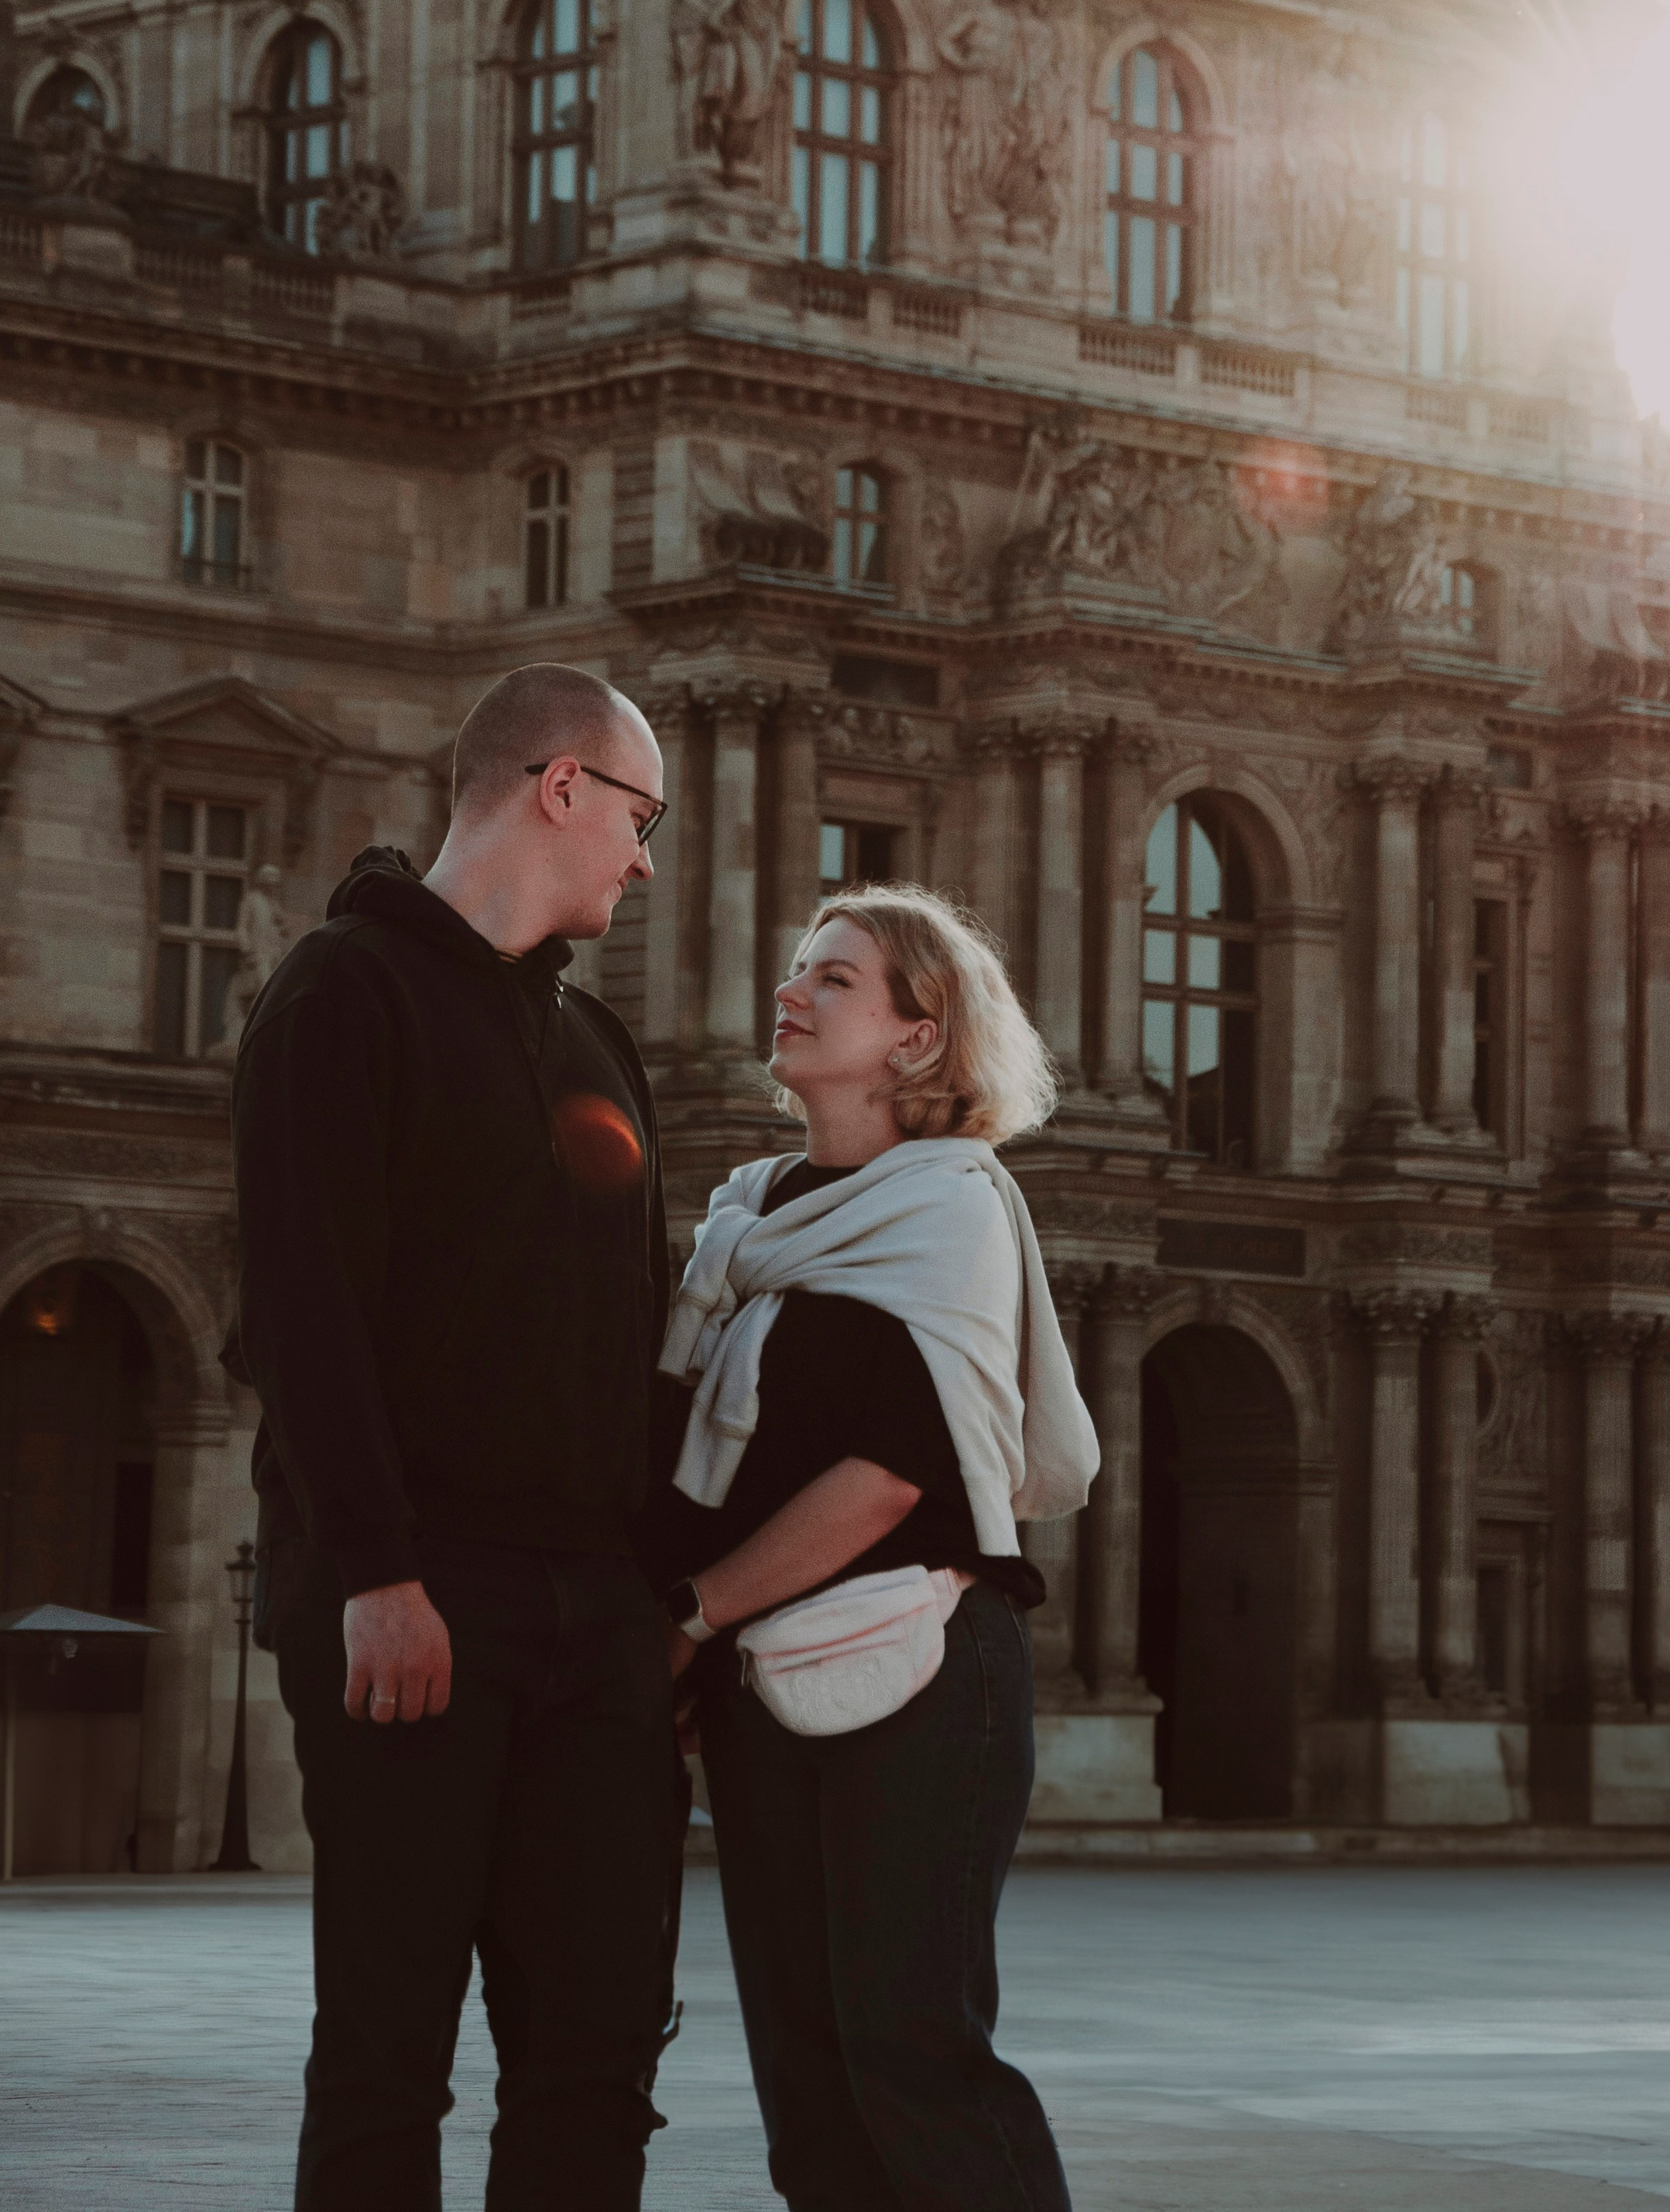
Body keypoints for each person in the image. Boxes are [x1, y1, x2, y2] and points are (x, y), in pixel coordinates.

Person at [231, 662, 678, 2212]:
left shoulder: (598, 1049)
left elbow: (643, 1347)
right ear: (559, 785)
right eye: (641, 815)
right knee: (387, 2051)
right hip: (412, 1606)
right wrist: (378, 1566)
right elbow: (300, 1309)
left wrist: (661, 1609)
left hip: (596, 1624)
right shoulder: (336, 992)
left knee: (598, 2051)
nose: (644, 857)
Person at [654, 883, 1098, 2212]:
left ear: (919, 1036)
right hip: (759, 1677)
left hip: (921, 1676)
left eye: (833, 978)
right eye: (795, 969)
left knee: (913, 2054)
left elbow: (891, 1478)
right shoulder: (747, 1213)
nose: (790, 992)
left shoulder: (949, 1205)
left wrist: (683, 1617)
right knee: (806, 2069)